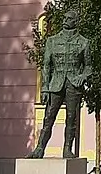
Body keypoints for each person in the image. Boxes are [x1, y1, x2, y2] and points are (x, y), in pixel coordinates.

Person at [27, 19, 93, 160]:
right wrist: (45, 88)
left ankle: (67, 149)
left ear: (75, 22)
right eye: (65, 18)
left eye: (69, 19)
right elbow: (46, 65)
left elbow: (88, 67)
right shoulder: (52, 41)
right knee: (49, 117)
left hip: (73, 84)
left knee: (71, 118)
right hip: (55, 84)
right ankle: (39, 149)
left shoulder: (84, 42)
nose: (65, 21)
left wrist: (83, 77)